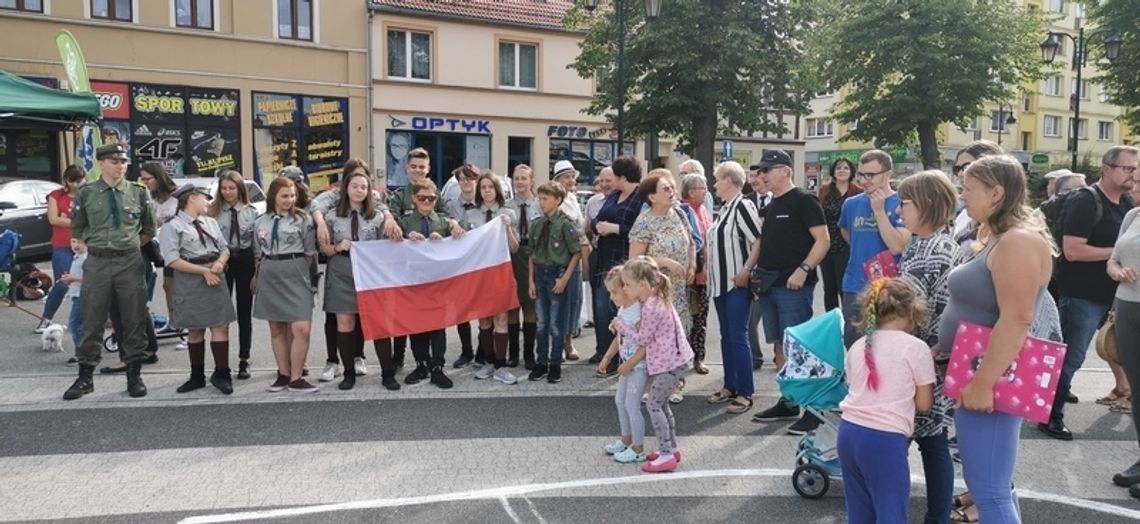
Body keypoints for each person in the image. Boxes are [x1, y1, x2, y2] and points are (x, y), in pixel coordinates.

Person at [942, 155, 1055, 522]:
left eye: (968, 187)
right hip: (977, 370)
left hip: (990, 376)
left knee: (989, 491)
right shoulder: (1004, 237)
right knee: (992, 486)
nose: (962, 195)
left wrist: (984, 382)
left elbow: (1018, 318)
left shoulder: (1018, 242)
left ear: (996, 193)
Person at [1044, 145, 1138, 441]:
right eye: (1128, 168)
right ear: (1107, 169)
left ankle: (1122, 392)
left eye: (1135, 169)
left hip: (1114, 296)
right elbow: (1072, 251)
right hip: (1083, 295)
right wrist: (1117, 256)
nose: (1133, 175)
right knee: (1070, 357)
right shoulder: (1087, 200)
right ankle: (1051, 414)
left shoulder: (1125, 203)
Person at [838, 278, 936, 524]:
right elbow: (924, 404)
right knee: (890, 512)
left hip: (848, 432)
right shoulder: (916, 348)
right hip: (885, 439)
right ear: (911, 311)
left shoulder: (858, 345)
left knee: (859, 512)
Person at [63, 143, 155, 400]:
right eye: (115, 161)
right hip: (98, 262)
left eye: (124, 161)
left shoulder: (138, 192)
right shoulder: (87, 193)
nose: (120, 166)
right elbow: (78, 227)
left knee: (133, 318)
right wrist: (86, 244)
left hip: (129, 261)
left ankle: (134, 374)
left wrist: (129, 247)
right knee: (92, 319)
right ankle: (85, 377)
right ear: (101, 163)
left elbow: (149, 228)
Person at [747, 150, 830, 432]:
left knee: (800, 347)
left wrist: (803, 270)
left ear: (785, 171)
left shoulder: (804, 200)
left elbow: (823, 240)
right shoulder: (771, 204)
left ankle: (813, 409)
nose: (762, 176)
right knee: (780, 345)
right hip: (770, 283)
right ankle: (790, 400)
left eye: (767, 171)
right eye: (761, 172)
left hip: (794, 285)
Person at [896, 170, 960, 524]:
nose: (899, 211)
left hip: (919, 360)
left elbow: (908, 312)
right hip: (935, 359)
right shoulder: (938, 243)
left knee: (903, 443)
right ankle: (937, 516)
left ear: (925, 204)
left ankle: (891, 512)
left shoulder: (926, 251)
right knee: (934, 442)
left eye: (904, 204)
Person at [311, 161, 401, 381]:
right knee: (345, 322)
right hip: (341, 270)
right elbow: (324, 248)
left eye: (364, 187)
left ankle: (387, 373)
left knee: (379, 322)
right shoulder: (332, 215)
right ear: (346, 188)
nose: (359, 190)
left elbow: (387, 247)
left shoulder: (378, 216)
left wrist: (394, 226)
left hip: (370, 272)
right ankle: (348, 374)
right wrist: (336, 247)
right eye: (355, 186)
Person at [613, 257, 695, 474]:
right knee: (663, 405)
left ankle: (667, 454)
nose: (626, 289)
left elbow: (643, 339)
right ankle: (671, 448)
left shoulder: (650, 307)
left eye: (628, 285)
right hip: (675, 360)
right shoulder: (656, 298)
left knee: (653, 405)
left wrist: (622, 326)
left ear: (642, 284)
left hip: (669, 363)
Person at [158, 184, 237, 394]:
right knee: (195, 329)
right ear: (192, 198)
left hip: (215, 275)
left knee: (221, 326)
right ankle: (196, 376)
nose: (208, 202)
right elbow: (172, 259)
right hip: (191, 279)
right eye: (205, 197)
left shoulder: (210, 222)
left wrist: (220, 262)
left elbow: (224, 248)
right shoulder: (172, 227)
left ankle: (222, 373)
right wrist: (203, 272)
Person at [704, 161, 762, 415]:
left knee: (738, 336)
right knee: (727, 336)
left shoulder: (743, 205)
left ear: (729, 180)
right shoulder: (725, 208)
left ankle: (746, 392)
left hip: (736, 282)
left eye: (717, 179)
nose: (714, 184)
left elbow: (758, 239)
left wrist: (746, 269)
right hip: (720, 283)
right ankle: (730, 385)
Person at [252, 176, 318, 393]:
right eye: (285, 196)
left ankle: (297, 377)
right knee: (277, 327)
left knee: (302, 327)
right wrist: (257, 275)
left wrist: (297, 269)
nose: (289, 200)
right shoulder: (260, 221)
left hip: (295, 269)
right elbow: (257, 252)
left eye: (292, 195)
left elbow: (310, 252)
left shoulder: (303, 219)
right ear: (273, 196)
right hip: (270, 271)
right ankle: (283, 374)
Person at [839, 149, 910, 347]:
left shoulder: (901, 203)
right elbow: (845, 231)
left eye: (870, 175)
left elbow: (896, 246)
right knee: (855, 345)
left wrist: (879, 211)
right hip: (855, 285)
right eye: (861, 174)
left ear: (888, 174)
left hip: (889, 288)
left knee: (885, 348)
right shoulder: (851, 204)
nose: (864, 180)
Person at [397, 178, 460, 389]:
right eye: (422, 198)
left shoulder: (443, 222)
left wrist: (449, 234)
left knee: (437, 327)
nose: (427, 201)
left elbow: (461, 243)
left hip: (437, 285)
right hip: (413, 283)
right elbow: (390, 242)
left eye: (431, 198)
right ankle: (421, 364)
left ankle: (437, 368)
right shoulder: (405, 223)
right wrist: (405, 237)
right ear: (414, 199)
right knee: (416, 328)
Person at [466, 172, 521, 385]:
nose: (487, 190)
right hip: (479, 274)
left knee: (501, 318)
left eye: (491, 187)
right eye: (483, 187)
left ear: (497, 189)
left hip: (500, 273)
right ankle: (488, 362)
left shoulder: (508, 212)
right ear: (479, 191)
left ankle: (501, 365)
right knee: (484, 319)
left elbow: (515, 248)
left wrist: (507, 227)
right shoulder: (471, 215)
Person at [590, 155, 644, 367]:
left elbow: (641, 230)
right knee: (602, 307)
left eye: (615, 175)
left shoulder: (640, 199)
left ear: (623, 176)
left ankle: (621, 355)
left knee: (622, 309)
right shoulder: (614, 196)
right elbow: (596, 219)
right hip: (604, 257)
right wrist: (598, 226)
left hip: (625, 259)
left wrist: (615, 229)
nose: (611, 180)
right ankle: (604, 351)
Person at [527, 181, 582, 384]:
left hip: (558, 274)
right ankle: (541, 362)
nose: (541, 203)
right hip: (540, 275)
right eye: (539, 199)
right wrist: (530, 281)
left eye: (545, 199)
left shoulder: (566, 224)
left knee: (556, 324)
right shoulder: (536, 224)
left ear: (558, 200)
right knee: (541, 323)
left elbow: (576, 253)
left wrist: (565, 279)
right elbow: (532, 254)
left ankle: (555, 364)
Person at [208, 170, 259, 380]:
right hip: (223, 262)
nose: (228, 192)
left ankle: (244, 359)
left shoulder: (252, 212)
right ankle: (222, 363)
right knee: (222, 312)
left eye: (232, 188)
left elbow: (257, 247)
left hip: (245, 260)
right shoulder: (213, 212)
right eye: (224, 188)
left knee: (244, 312)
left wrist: (257, 273)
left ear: (240, 189)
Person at [1109, 165, 1140, 497]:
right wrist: (1118, 271)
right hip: (1128, 306)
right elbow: (1112, 260)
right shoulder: (1133, 216)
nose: (1134, 184)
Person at [599, 265, 648, 464]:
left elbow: (645, 344)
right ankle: (626, 440)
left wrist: (629, 364)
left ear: (627, 288)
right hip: (627, 366)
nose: (611, 296)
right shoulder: (623, 309)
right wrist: (608, 357)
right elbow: (620, 337)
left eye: (615, 291)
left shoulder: (638, 313)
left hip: (638, 366)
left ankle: (638, 448)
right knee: (620, 401)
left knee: (632, 405)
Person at [34, 165, 86, 334]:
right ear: (66, 180)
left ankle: (91, 320)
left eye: (80, 181)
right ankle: (46, 319)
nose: (77, 185)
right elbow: (53, 219)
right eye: (74, 181)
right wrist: (77, 222)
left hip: (85, 243)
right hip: (62, 244)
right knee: (63, 283)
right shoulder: (56, 196)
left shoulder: (88, 195)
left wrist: (67, 219)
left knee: (90, 281)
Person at [444, 164, 483, 368]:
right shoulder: (450, 206)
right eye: (462, 179)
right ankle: (466, 350)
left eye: (470, 178)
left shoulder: (486, 203)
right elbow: (440, 220)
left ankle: (484, 351)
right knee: (462, 310)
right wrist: (451, 222)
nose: (466, 182)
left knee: (485, 309)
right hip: (459, 265)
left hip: (480, 264)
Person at [552, 160, 588, 362]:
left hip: (576, 255)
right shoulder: (554, 200)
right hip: (559, 257)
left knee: (575, 299)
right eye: (567, 177)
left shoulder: (573, 199)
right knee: (559, 302)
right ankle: (559, 342)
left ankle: (569, 339)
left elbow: (580, 225)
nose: (571, 180)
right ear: (557, 180)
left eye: (572, 176)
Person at [506, 164, 539, 369]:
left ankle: (529, 354)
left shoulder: (539, 203)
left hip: (533, 255)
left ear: (531, 181)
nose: (519, 182)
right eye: (516, 178)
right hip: (512, 255)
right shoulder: (507, 205)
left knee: (530, 304)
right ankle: (513, 353)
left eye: (523, 178)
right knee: (511, 305)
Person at [818, 158, 863, 312]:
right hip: (826, 244)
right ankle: (832, 324)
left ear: (851, 172)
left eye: (845, 168)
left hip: (847, 244)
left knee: (845, 287)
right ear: (833, 171)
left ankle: (848, 321)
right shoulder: (825, 191)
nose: (842, 170)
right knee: (829, 288)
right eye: (838, 168)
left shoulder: (858, 192)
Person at [681, 172, 713, 374]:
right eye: (703, 188)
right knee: (686, 318)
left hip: (704, 275)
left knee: (701, 318)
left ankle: (698, 358)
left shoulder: (704, 210)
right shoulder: (682, 210)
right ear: (691, 191)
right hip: (689, 273)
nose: (707, 191)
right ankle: (683, 359)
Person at [745, 164, 774, 369]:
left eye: (759, 175)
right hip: (753, 265)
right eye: (752, 176)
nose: (756, 180)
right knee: (751, 317)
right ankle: (755, 356)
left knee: (775, 316)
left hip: (775, 266)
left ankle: (780, 354)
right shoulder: (746, 202)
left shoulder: (780, 200)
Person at [950, 141, 1004, 242]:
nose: (961, 173)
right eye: (957, 169)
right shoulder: (964, 214)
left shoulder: (1010, 227)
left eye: (967, 167)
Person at [62, 238, 87, 357]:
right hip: (76, 294)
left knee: (75, 324)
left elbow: (92, 278)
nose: (76, 245)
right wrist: (68, 279)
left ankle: (82, 352)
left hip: (83, 295)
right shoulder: (76, 257)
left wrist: (72, 279)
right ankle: (83, 351)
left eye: (79, 242)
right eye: (73, 241)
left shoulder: (86, 258)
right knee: (79, 324)